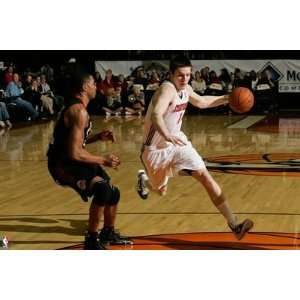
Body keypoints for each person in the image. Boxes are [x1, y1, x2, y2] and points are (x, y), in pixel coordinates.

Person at [136, 55, 254, 240]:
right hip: (155, 150)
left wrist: (227, 98)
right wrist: (166, 134)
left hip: (178, 142)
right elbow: (156, 115)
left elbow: (201, 102)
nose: (184, 79)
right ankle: (144, 180)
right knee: (160, 191)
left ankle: (234, 224)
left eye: (188, 75)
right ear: (171, 75)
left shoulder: (186, 88)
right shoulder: (166, 90)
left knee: (205, 176)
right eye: (180, 75)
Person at [47, 73, 131, 250]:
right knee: (102, 189)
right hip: (62, 165)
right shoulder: (79, 111)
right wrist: (103, 160)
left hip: (71, 159)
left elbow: (74, 141)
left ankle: (108, 232)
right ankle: (91, 240)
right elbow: (75, 152)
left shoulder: (77, 108)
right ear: (84, 87)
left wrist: (97, 137)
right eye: (93, 83)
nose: (96, 86)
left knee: (113, 193)